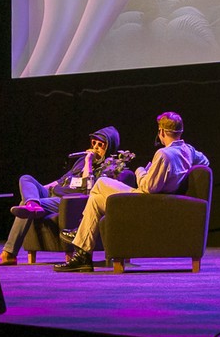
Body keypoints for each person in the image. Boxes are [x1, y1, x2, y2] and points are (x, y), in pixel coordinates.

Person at [55, 112, 207, 272]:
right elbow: (204, 162)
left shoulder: (164, 154)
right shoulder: (188, 150)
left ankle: (79, 231)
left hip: (145, 201)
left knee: (100, 183)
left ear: (161, 132)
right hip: (158, 200)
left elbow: (148, 187)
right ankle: (83, 256)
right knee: (95, 201)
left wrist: (141, 171)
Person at [0, 126, 124, 266]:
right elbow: (60, 181)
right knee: (26, 179)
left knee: (24, 204)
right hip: (54, 193)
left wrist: (88, 162)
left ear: (109, 148)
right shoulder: (80, 161)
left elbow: (87, 189)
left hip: (66, 201)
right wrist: (36, 190)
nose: (95, 147)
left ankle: (9, 254)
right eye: (94, 143)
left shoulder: (107, 168)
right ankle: (33, 204)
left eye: (100, 145)